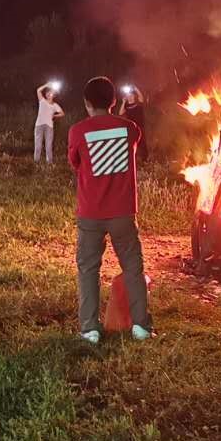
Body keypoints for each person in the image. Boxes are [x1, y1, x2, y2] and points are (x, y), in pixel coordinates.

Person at [69, 76, 153, 343]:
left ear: (86, 102)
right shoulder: (129, 129)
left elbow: (75, 162)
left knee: (88, 269)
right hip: (123, 213)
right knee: (132, 269)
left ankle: (90, 328)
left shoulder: (78, 131)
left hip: (91, 213)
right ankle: (141, 327)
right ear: (114, 101)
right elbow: (135, 136)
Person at [34, 83, 65, 164]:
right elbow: (38, 90)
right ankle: (36, 162)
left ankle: (49, 163)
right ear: (46, 94)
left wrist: (54, 115)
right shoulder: (42, 101)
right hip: (39, 125)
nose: (49, 94)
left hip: (49, 126)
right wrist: (47, 84)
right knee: (38, 145)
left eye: (50, 93)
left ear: (53, 95)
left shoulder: (55, 105)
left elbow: (62, 113)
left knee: (48, 146)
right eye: (47, 93)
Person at [118, 85, 149, 161]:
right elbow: (120, 113)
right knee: (132, 144)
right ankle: (133, 159)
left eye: (131, 95)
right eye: (128, 96)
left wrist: (136, 88)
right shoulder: (126, 106)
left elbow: (141, 98)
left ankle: (145, 159)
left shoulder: (138, 104)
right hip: (131, 128)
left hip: (140, 126)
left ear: (134, 96)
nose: (130, 97)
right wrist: (123, 102)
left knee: (142, 143)